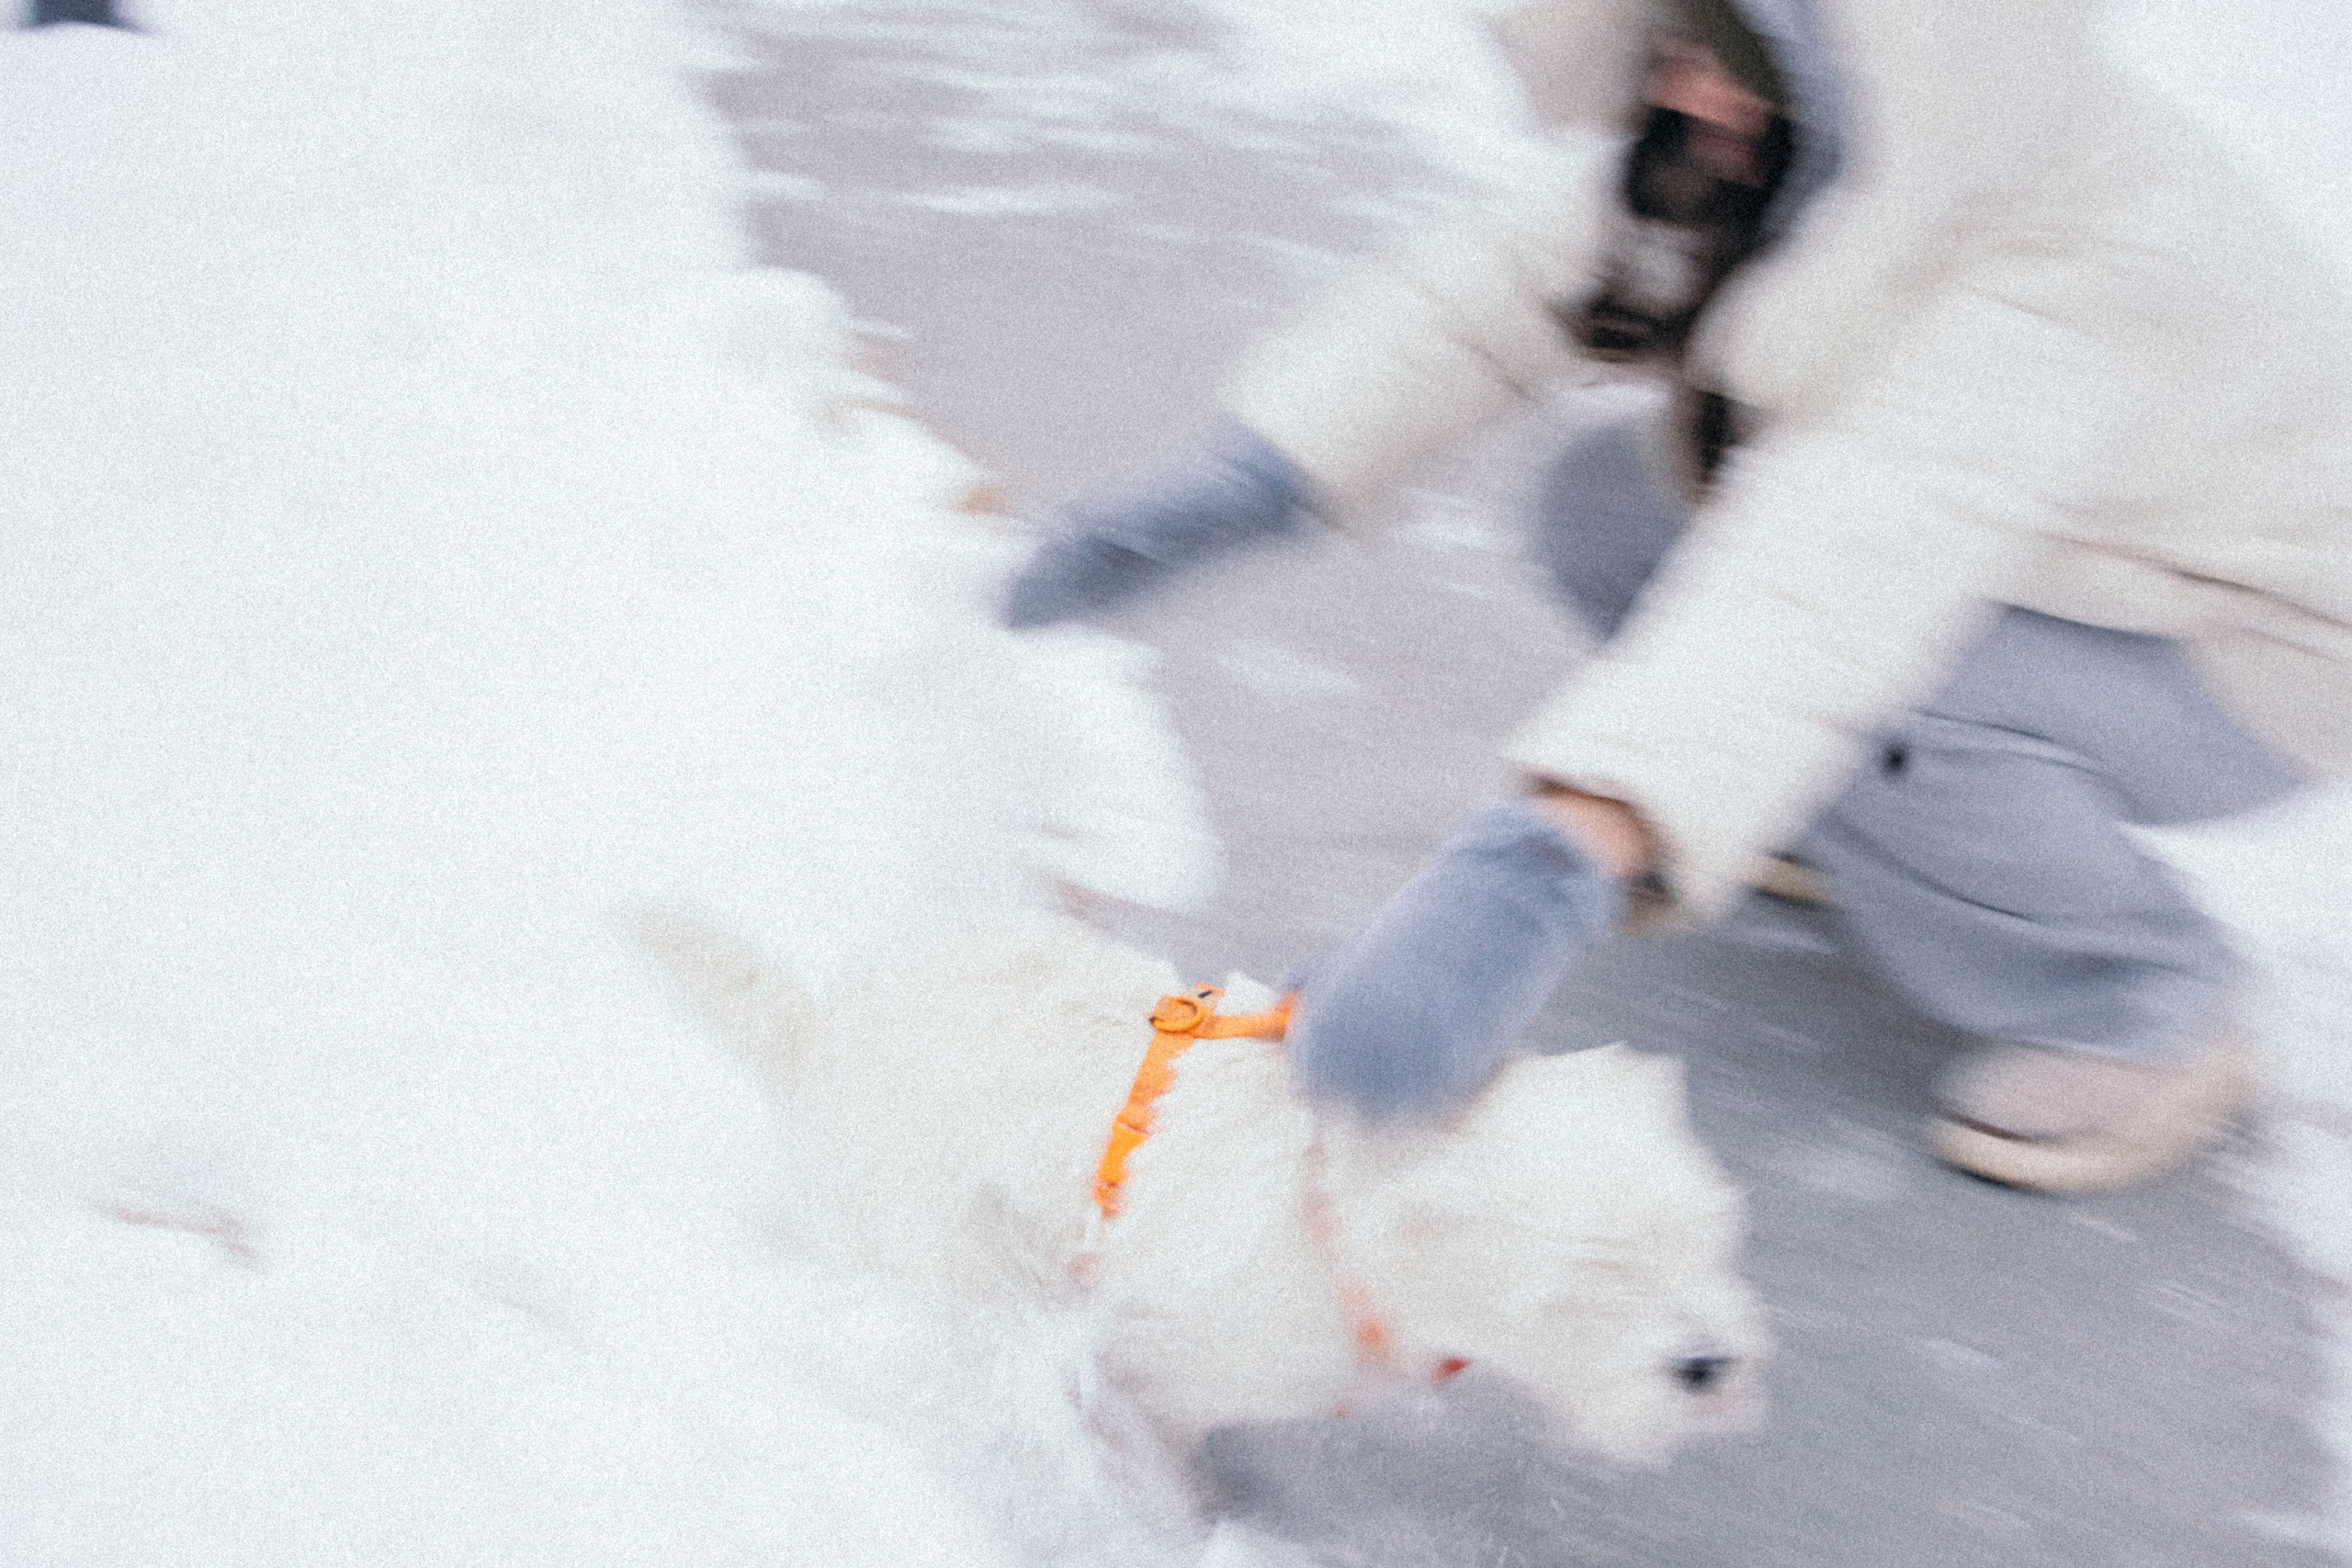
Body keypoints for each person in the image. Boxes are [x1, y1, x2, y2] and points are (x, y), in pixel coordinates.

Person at [999, 0, 2352, 1194]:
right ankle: (1844, 816)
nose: (1693, 90)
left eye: (1739, 63)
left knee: (1906, 691)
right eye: (1681, 40)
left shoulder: (2066, 271)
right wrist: (1257, 469)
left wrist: (1536, 871)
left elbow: (1821, 590)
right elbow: (1494, 294)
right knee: (1616, 509)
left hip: (2260, 642)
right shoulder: (1821, 149)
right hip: (2075, 565)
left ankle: (2145, 1001)